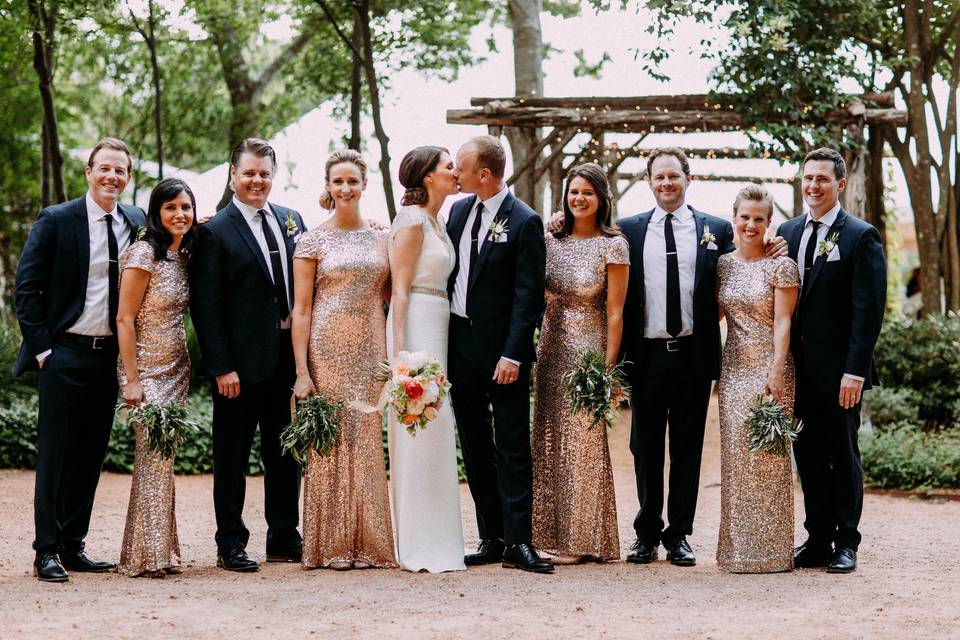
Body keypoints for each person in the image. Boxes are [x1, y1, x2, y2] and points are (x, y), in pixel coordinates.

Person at [15, 137, 146, 582]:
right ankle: (46, 550)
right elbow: (26, 289)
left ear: (128, 179)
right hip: (64, 353)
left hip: (108, 356)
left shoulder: (135, 220)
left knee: (90, 455)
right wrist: (44, 351)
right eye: (104, 168)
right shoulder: (57, 220)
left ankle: (73, 544)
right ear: (89, 172)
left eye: (120, 171)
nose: (112, 177)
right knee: (55, 455)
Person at [191, 138, 306, 572]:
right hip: (237, 366)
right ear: (232, 175)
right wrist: (221, 365)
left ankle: (283, 536)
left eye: (264, 173)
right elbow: (207, 305)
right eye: (249, 173)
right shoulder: (214, 231)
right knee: (231, 456)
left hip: (284, 357)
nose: (257, 180)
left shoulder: (293, 220)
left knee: (284, 453)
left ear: (273, 176)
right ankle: (231, 543)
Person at [447, 135, 551, 573]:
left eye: (460, 168)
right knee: (473, 444)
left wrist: (513, 355)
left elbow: (528, 297)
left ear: (484, 174)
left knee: (511, 446)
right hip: (458, 347)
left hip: (503, 355)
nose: (454, 174)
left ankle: (519, 541)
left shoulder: (524, 220)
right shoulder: (456, 211)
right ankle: (491, 536)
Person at [781, 148, 886, 574]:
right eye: (808, 178)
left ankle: (847, 542)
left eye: (822, 179)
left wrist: (855, 370)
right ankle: (817, 538)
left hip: (841, 372)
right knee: (806, 456)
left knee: (842, 455)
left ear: (840, 184)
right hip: (798, 370)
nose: (813, 186)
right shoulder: (786, 232)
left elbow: (868, 310)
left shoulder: (861, 236)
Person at [291, 150, 396, 571]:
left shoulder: (383, 237)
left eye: (353, 181)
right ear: (328, 186)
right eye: (338, 182)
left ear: (364, 184)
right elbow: (301, 309)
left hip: (371, 347)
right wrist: (301, 371)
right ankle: (330, 544)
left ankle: (369, 543)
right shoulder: (311, 239)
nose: (346, 189)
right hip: (327, 347)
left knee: (367, 438)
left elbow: (393, 297)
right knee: (330, 442)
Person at [532, 163, 628, 565]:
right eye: (574, 192)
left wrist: (606, 370)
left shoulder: (614, 245)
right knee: (549, 441)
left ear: (602, 197)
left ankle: (582, 539)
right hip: (550, 347)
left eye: (588, 192)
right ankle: (546, 534)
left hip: (588, 350)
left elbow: (616, 312)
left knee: (583, 446)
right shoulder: (550, 240)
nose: (579, 198)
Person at [386, 146, 465, 572]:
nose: (456, 172)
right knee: (419, 424)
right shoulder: (413, 220)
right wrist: (401, 357)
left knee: (439, 424)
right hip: (414, 322)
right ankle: (418, 541)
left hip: (439, 323)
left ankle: (441, 536)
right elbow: (398, 288)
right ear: (428, 177)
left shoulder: (440, 220)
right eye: (448, 166)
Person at [715, 184, 799, 573]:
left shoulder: (782, 265)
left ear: (769, 223)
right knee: (736, 461)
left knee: (769, 460)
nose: (751, 225)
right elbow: (714, 314)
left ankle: (772, 552)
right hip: (732, 371)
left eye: (759, 219)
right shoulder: (722, 265)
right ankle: (738, 551)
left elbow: (783, 321)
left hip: (770, 370)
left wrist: (777, 368)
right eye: (745, 217)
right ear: (734, 218)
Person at [116, 178, 196, 578]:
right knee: (153, 457)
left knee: (163, 459)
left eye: (186, 207)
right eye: (171, 208)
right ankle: (145, 555)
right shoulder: (142, 253)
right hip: (145, 368)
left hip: (177, 367)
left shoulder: (180, 255)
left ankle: (160, 548)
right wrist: (132, 379)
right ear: (156, 213)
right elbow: (124, 319)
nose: (180, 214)